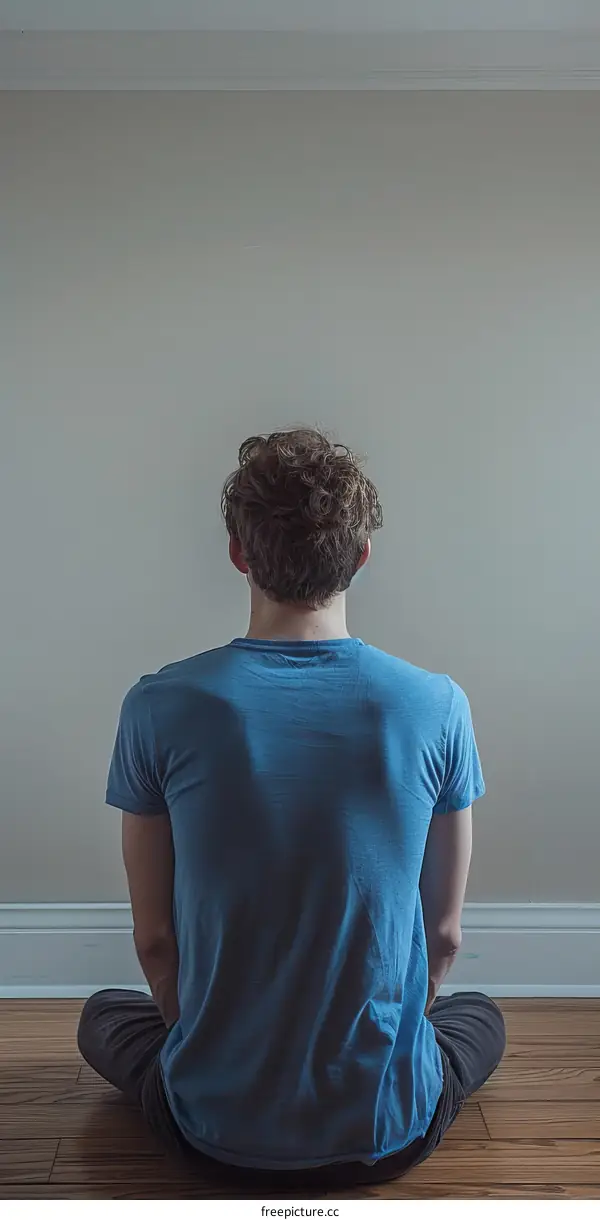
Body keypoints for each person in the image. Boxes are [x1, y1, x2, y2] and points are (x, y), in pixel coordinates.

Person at [78, 428, 505, 1191]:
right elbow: (443, 937)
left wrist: (197, 1038)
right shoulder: (438, 705)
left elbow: (155, 941)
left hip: (212, 1136)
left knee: (104, 1016)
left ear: (238, 554)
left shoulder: (158, 706)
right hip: (385, 1134)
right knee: (480, 1018)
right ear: (362, 556)